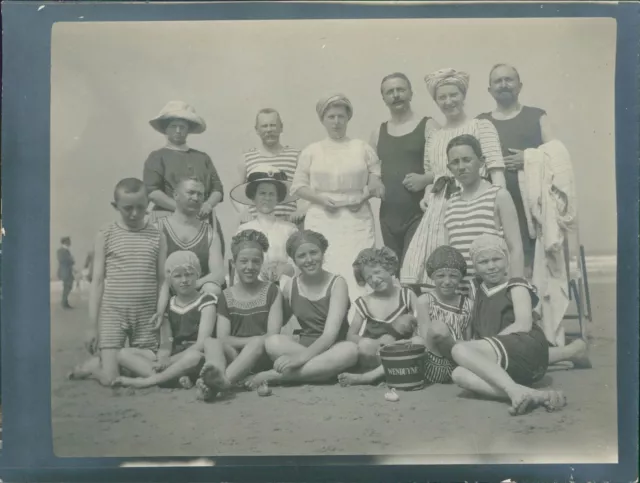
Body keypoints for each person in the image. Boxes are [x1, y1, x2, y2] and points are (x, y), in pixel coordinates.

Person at [400, 68, 506, 288]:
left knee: (478, 263)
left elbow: (496, 170)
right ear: (436, 101)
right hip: (440, 208)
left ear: (463, 95)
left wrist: (497, 207)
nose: (448, 101)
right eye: (442, 97)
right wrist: (427, 196)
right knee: (435, 268)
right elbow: (432, 174)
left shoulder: (481, 126)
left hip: (477, 203)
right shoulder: (434, 136)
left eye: (453, 95)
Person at [449, 234, 566, 415]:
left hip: (527, 346)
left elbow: (523, 324)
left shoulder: (516, 285)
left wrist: (481, 347)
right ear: (475, 267)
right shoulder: (477, 291)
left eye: (496, 259)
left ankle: (513, 390)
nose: (491, 266)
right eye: (483, 262)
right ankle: (529, 394)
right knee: (458, 374)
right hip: (508, 364)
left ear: (507, 260)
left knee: (459, 350)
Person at [68, 178, 167, 386]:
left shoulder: (157, 235)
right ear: (115, 206)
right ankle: (96, 368)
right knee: (111, 379)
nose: (134, 213)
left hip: (146, 313)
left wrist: (160, 310)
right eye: (127, 208)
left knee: (147, 368)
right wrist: (92, 326)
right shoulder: (106, 234)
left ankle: (102, 360)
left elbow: (162, 279)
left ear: (148, 203)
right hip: (114, 312)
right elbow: (97, 282)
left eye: (141, 207)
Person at [291, 94, 384, 302]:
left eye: (341, 116)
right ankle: (329, 318)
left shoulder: (361, 147)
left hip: (356, 216)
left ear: (348, 118)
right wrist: (322, 200)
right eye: (331, 116)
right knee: (327, 264)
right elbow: (298, 186)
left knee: (359, 265)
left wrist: (363, 197)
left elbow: (375, 177)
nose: (336, 122)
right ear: (323, 120)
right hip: (323, 216)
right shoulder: (312, 151)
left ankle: (360, 318)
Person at [245, 230, 358, 387]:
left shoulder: (337, 283)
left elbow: (329, 336)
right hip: (302, 348)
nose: (309, 259)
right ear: (294, 260)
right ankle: (320, 372)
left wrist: (300, 359)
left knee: (351, 350)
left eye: (314, 252)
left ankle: (280, 377)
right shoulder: (290, 286)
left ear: (323, 253)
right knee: (272, 342)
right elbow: (275, 326)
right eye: (302, 256)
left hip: (333, 348)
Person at [477, 64, 555, 276]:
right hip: (494, 207)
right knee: (496, 265)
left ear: (519, 86)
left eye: (509, 80)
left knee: (532, 269)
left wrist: (528, 158)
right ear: (489, 90)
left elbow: (558, 157)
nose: (503, 85)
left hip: (529, 206)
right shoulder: (480, 122)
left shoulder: (537, 116)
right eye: (498, 81)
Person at [196, 230, 284, 401]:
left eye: (256, 261)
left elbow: (272, 335)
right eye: (243, 261)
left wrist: (252, 341)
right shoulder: (226, 296)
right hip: (234, 357)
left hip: (260, 357)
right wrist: (250, 340)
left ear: (261, 263)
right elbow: (223, 338)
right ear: (233, 263)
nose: (249, 267)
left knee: (259, 342)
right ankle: (219, 376)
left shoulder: (272, 291)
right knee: (210, 341)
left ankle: (219, 384)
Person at [112, 251, 215, 389]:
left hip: (192, 356)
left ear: (198, 274)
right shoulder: (168, 305)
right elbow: (166, 343)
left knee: (194, 357)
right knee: (123, 354)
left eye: (189, 274)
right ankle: (174, 379)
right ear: (170, 280)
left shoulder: (207, 301)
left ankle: (151, 380)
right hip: (173, 353)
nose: (184, 280)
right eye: (177, 276)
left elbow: (202, 343)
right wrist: (162, 359)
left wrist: (168, 362)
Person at [370, 73, 439, 264]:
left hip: (419, 212)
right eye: (390, 92)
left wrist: (425, 179)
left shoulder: (428, 125)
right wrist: (373, 179)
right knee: (394, 271)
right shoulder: (378, 132)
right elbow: (370, 169)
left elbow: (445, 167)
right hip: (388, 216)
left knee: (414, 269)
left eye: (401, 89)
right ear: (383, 98)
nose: (396, 95)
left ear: (411, 93)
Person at [442, 134, 524, 296]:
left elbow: (515, 248)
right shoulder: (450, 203)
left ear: (481, 161)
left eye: (467, 160)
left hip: (494, 291)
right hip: (461, 293)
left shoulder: (499, 196)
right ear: (449, 167)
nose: (461, 166)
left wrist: (516, 290)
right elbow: (449, 254)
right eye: (455, 162)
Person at [143, 100, 226, 255]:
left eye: (183, 126)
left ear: (188, 129)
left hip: (202, 218)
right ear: (166, 129)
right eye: (174, 126)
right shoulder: (157, 157)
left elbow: (217, 189)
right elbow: (153, 191)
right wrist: (181, 210)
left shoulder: (202, 158)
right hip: (167, 220)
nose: (179, 130)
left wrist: (207, 205)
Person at [337, 247, 418, 386]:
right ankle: (383, 375)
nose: (374, 279)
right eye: (368, 277)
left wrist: (400, 343)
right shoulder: (365, 302)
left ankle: (371, 377)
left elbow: (420, 324)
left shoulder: (406, 295)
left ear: (390, 269)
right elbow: (351, 335)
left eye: (377, 272)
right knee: (364, 345)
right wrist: (375, 343)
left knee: (418, 341)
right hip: (376, 354)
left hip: (401, 349)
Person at [155, 176, 225, 304]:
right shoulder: (158, 228)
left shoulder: (210, 233)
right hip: (163, 294)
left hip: (196, 296)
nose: (196, 198)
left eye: (200, 194)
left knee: (212, 288)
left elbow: (219, 274)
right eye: (190, 192)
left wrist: (188, 285)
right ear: (176, 195)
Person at [234, 108, 306, 225]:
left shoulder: (296, 156)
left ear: (281, 127)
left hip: (289, 222)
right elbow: (235, 192)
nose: (269, 130)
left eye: (273, 125)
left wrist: (301, 210)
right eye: (264, 126)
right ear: (256, 130)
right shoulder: (246, 158)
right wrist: (244, 212)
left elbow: (307, 187)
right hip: (257, 223)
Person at [414, 245, 473, 384]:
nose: (447, 281)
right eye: (441, 276)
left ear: (460, 277)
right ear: (432, 277)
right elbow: (425, 339)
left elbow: (469, 340)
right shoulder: (425, 301)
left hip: (459, 364)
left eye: (453, 276)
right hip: (434, 363)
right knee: (433, 331)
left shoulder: (468, 304)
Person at [230, 168, 299, 284]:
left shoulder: (290, 229)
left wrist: (283, 269)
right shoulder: (244, 230)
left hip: (284, 285)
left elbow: (297, 262)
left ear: (278, 198)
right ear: (253, 196)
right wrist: (258, 269)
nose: (267, 198)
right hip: (253, 283)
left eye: (271, 194)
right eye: (262, 193)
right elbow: (238, 264)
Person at [57, 236, 75, 309]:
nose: (70, 242)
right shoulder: (61, 251)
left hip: (67, 271)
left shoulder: (65, 250)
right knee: (67, 287)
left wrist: (71, 261)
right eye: (69, 241)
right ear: (65, 242)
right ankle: (64, 303)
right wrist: (71, 260)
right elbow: (63, 260)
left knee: (68, 286)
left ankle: (65, 302)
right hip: (65, 272)